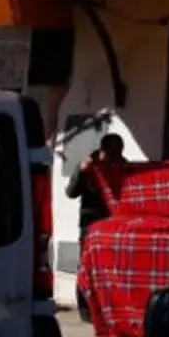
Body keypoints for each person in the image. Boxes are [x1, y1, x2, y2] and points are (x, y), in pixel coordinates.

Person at [66, 133, 127, 321]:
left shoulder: (123, 166)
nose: (115, 157)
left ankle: (108, 308)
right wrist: (81, 173)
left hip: (112, 225)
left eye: (118, 153)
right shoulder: (88, 166)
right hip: (90, 225)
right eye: (112, 153)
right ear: (102, 150)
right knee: (86, 266)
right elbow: (70, 192)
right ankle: (86, 310)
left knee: (111, 267)